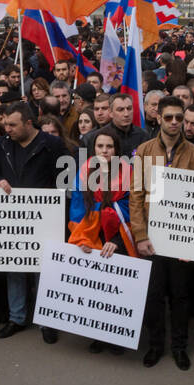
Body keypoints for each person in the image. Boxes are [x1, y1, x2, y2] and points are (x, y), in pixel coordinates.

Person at [130, 94, 194, 369]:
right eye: (169, 117)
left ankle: (179, 347)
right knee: (154, 295)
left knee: (181, 294)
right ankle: (156, 345)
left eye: (179, 118)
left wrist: (191, 242)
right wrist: (140, 235)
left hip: (180, 236)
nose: (175, 122)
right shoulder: (144, 150)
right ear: (158, 118)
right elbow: (135, 195)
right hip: (151, 236)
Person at [0, 103, 62, 342]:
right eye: (5, 124)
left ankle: (46, 320)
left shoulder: (52, 145)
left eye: (12, 125)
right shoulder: (3, 145)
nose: (6, 128)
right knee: (15, 267)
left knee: (45, 269)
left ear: (29, 123)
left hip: (45, 218)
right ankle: (17, 317)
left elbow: (66, 180)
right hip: (12, 219)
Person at [67, 128, 136, 355]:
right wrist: (83, 238)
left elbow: (131, 208)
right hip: (92, 235)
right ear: (93, 148)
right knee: (97, 291)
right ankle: (99, 335)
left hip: (120, 237)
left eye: (109, 147)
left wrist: (116, 239)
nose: (104, 151)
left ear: (117, 149)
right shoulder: (84, 171)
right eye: (100, 146)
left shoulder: (129, 172)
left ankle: (119, 337)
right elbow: (77, 207)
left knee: (118, 291)